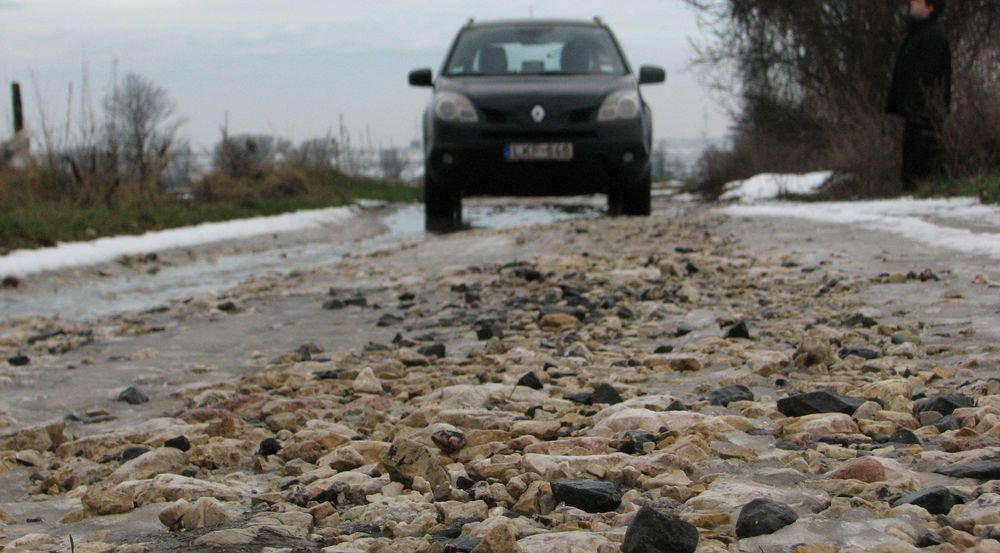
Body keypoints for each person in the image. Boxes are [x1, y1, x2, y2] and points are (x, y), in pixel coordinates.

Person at [886, 0, 952, 192]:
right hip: (914, 109)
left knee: (923, 154)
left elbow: (927, 73)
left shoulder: (933, 35)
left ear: (929, 7)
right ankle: (911, 191)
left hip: (926, 109)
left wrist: (918, 101)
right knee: (910, 152)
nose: (912, 3)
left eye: (918, 1)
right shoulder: (916, 33)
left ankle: (922, 191)